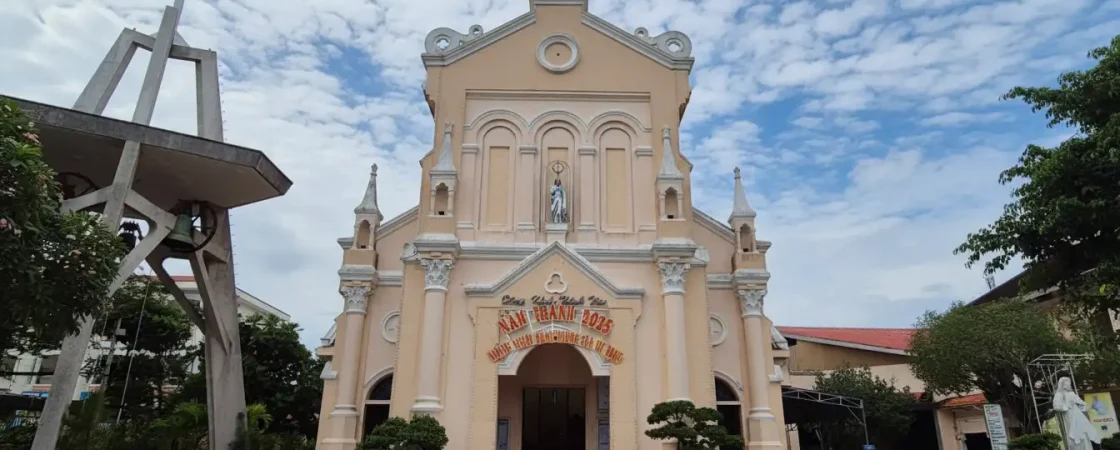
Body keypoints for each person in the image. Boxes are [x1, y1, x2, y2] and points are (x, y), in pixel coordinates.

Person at [1053, 376, 1101, 450]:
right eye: (1067, 384)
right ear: (1062, 385)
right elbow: (1057, 406)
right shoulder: (1059, 394)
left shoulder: (1071, 393)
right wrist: (1066, 407)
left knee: (1086, 432)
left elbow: (1079, 402)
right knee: (1074, 435)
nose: (1068, 385)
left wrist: (1086, 406)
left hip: (1078, 414)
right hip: (1069, 415)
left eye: (1069, 384)